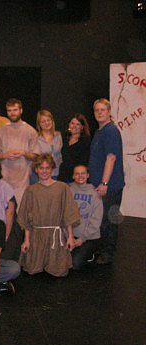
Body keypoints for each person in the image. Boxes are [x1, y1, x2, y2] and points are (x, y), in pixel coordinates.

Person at [17, 154, 80, 277]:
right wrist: (26, 240)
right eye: (41, 168)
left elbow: (68, 213)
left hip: (56, 236)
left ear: (52, 169)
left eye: (47, 168)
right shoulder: (31, 190)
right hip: (37, 236)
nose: (44, 171)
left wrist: (70, 237)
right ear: (36, 170)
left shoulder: (62, 188)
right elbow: (25, 217)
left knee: (59, 272)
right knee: (33, 271)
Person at [88, 98, 124, 265]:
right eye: (96, 110)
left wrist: (104, 183)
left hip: (110, 186)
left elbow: (111, 158)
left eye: (103, 109)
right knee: (101, 219)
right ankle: (102, 249)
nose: (100, 112)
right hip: (100, 185)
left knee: (109, 219)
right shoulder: (99, 131)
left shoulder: (110, 131)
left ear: (109, 112)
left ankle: (108, 253)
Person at [0, 98, 40, 206]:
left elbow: (36, 157)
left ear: (21, 110)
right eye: (9, 110)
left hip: (22, 179)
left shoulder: (30, 131)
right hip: (5, 177)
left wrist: (24, 153)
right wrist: (5, 155)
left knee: (21, 209)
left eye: (15, 110)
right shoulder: (1, 131)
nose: (12, 113)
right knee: (6, 208)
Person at [69, 165, 103, 270]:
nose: (80, 176)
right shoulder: (68, 191)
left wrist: (81, 239)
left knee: (75, 265)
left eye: (83, 173)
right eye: (77, 174)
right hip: (70, 235)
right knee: (61, 261)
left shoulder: (95, 195)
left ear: (87, 175)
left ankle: (90, 253)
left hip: (88, 237)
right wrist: (68, 236)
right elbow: (64, 216)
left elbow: (96, 222)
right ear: (73, 176)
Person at [58, 114, 91, 183]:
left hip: (76, 179)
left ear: (82, 127)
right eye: (72, 123)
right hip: (62, 177)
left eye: (78, 124)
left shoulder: (85, 142)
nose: (74, 126)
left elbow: (84, 162)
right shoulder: (65, 139)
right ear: (69, 124)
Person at [33, 110, 63, 182]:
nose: (46, 123)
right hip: (41, 175)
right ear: (39, 124)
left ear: (52, 121)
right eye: (43, 121)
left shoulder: (59, 136)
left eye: (48, 120)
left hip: (57, 173)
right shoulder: (36, 138)